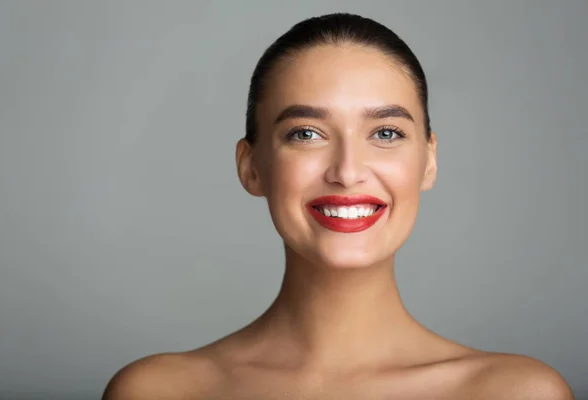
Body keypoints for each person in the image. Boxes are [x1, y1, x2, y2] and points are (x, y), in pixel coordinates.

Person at [102, 13, 574, 399]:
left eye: (386, 133)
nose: (347, 171)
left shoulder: (517, 393)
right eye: (306, 134)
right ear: (251, 167)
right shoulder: (157, 391)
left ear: (428, 162)